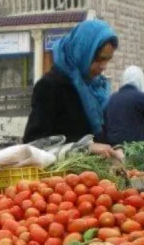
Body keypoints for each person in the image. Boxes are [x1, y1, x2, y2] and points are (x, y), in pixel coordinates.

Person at [22, 19, 121, 159]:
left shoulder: (95, 88)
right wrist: (84, 147)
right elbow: (34, 142)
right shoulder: (50, 86)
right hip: (62, 178)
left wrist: (117, 147)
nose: (103, 66)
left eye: (108, 60)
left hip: (93, 176)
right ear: (82, 51)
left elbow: (101, 134)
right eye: (99, 59)